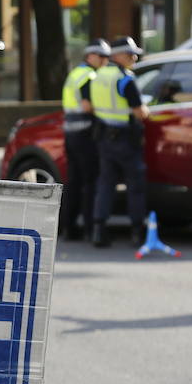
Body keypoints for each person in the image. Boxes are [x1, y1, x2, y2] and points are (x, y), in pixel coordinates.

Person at [88, 36, 149, 247]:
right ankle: (137, 233)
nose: (134, 57)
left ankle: (99, 231)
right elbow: (140, 112)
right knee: (135, 185)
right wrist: (147, 110)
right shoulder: (125, 79)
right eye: (130, 53)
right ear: (118, 56)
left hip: (103, 137)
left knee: (105, 184)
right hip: (125, 138)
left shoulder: (97, 76)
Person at [57, 39, 110, 240]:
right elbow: (88, 106)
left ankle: (68, 227)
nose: (105, 60)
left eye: (107, 56)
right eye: (102, 56)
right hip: (85, 134)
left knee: (74, 181)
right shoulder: (89, 76)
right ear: (90, 56)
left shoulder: (75, 73)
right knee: (90, 181)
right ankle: (89, 227)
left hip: (71, 133)